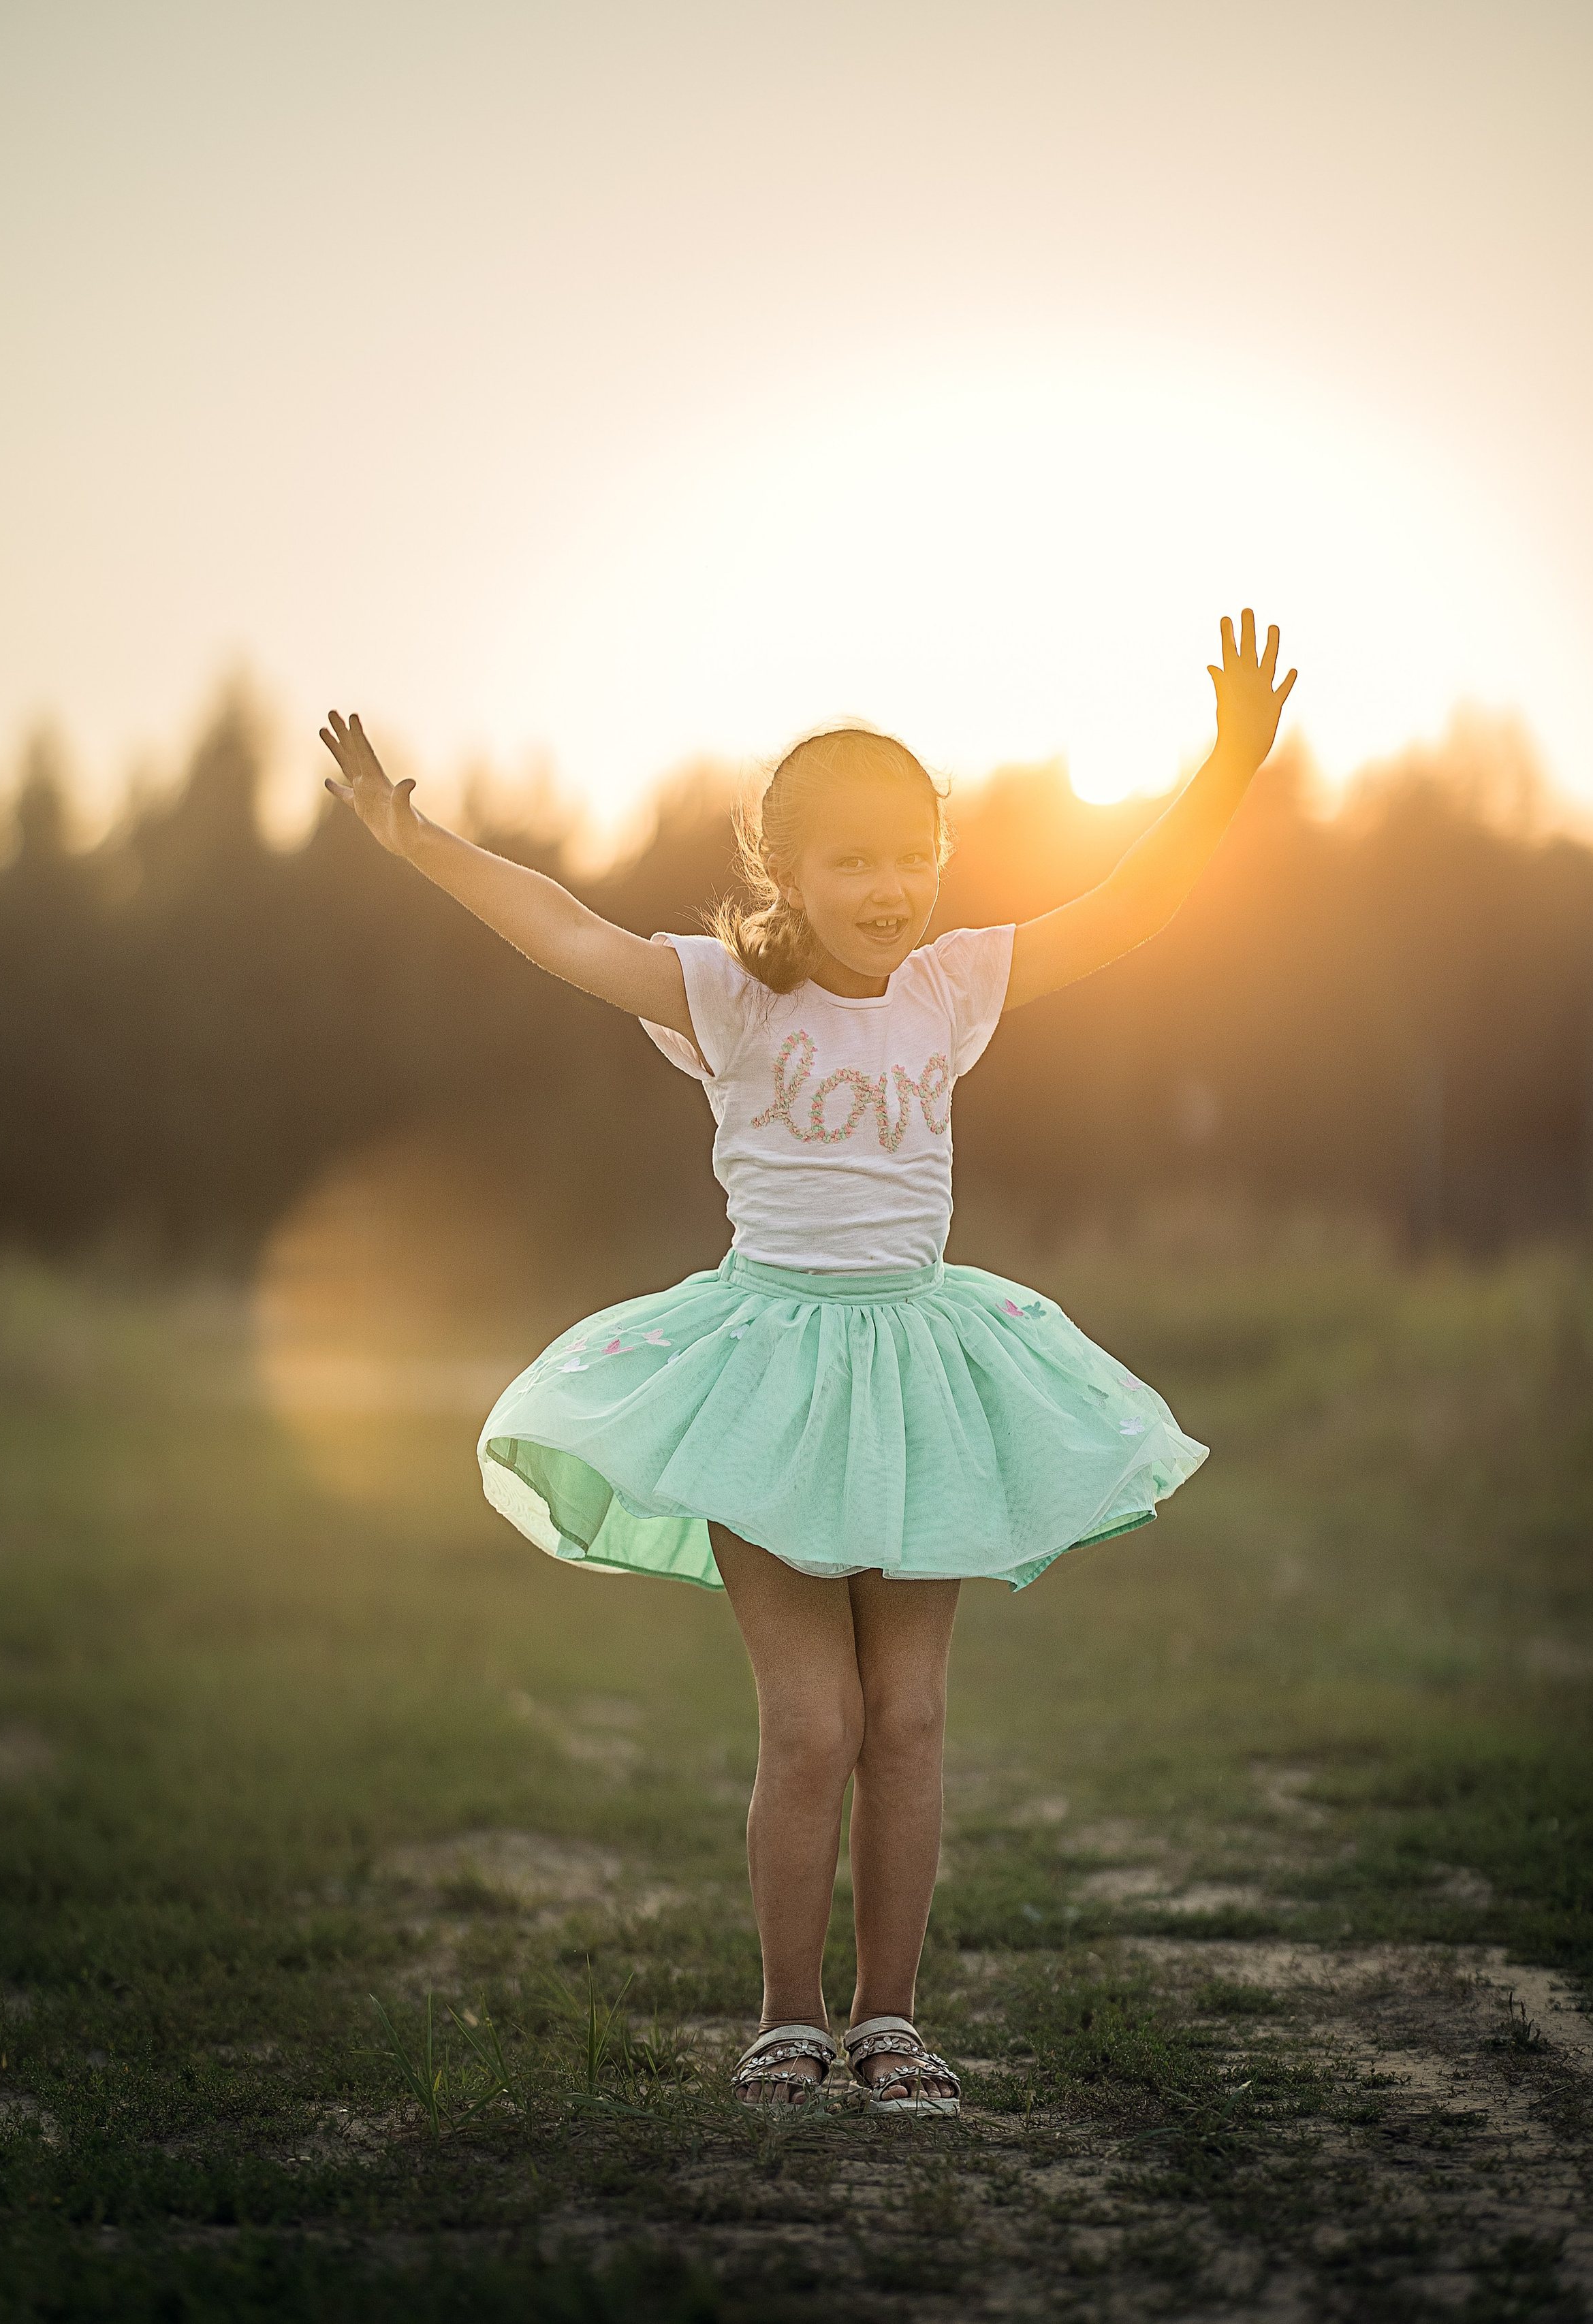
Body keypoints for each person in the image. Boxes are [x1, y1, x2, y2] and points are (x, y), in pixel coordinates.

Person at [320, 610, 1295, 2114]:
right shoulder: (727, 994)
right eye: (849, 862)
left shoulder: (956, 982)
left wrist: (1223, 775)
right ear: (788, 874)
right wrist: (417, 840)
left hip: (918, 1376)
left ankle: (891, 2022)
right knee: (813, 1722)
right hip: (770, 1381)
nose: (887, 889)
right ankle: (786, 2020)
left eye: (910, 856)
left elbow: (1122, 909)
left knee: (906, 1721)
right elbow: (563, 926)